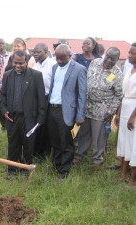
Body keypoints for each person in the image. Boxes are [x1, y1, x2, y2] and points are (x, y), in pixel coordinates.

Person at [73, 47, 123, 168]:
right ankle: (79, 155)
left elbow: (118, 95)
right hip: (87, 105)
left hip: (103, 108)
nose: (109, 60)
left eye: (113, 59)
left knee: (99, 135)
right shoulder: (94, 62)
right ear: (104, 55)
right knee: (84, 132)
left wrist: (110, 111)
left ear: (117, 60)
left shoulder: (117, 73)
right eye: (108, 57)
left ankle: (97, 159)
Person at [0, 50, 46, 179]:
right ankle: (12, 170)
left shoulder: (36, 75)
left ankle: (26, 170)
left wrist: (40, 118)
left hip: (29, 118)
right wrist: (4, 111)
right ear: (12, 62)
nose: (18, 66)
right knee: (13, 145)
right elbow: (2, 96)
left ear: (26, 61)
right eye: (15, 63)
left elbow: (41, 98)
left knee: (28, 145)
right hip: (12, 118)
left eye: (21, 63)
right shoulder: (7, 75)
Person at [47, 44, 87, 179]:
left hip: (67, 112)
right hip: (52, 109)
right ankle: (56, 166)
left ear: (70, 56)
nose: (59, 61)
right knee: (55, 141)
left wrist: (80, 115)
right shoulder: (54, 67)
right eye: (57, 58)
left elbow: (82, 94)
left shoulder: (79, 69)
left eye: (62, 58)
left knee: (66, 142)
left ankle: (64, 172)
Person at [32, 43, 56, 162]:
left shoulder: (52, 65)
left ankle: (44, 154)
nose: (35, 54)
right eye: (34, 52)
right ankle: (35, 151)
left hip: (48, 99)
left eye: (38, 52)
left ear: (46, 52)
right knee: (37, 125)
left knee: (45, 127)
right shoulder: (35, 66)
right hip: (36, 99)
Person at [116, 43, 136, 182]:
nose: (128, 55)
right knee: (123, 140)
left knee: (134, 142)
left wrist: (133, 116)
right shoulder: (129, 70)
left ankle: (133, 179)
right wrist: (118, 113)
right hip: (125, 107)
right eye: (129, 52)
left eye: (132, 53)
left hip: (133, 110)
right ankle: (123, 174)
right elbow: (122, 94)